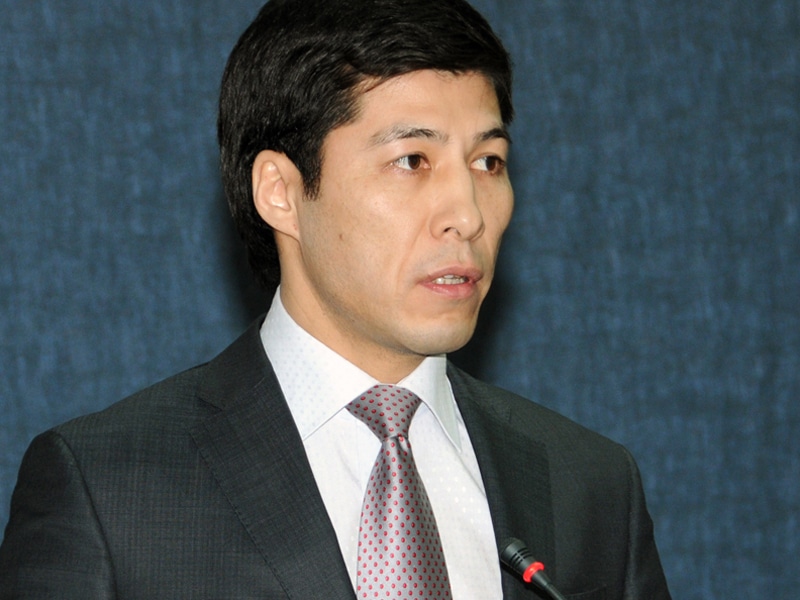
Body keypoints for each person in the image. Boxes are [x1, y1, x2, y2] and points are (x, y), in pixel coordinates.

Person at [0, 0, 671, 598]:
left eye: (488, 162)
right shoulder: (109, 492)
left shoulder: (590, 484)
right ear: (281, 192)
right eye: (413, 161)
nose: (468, 215)